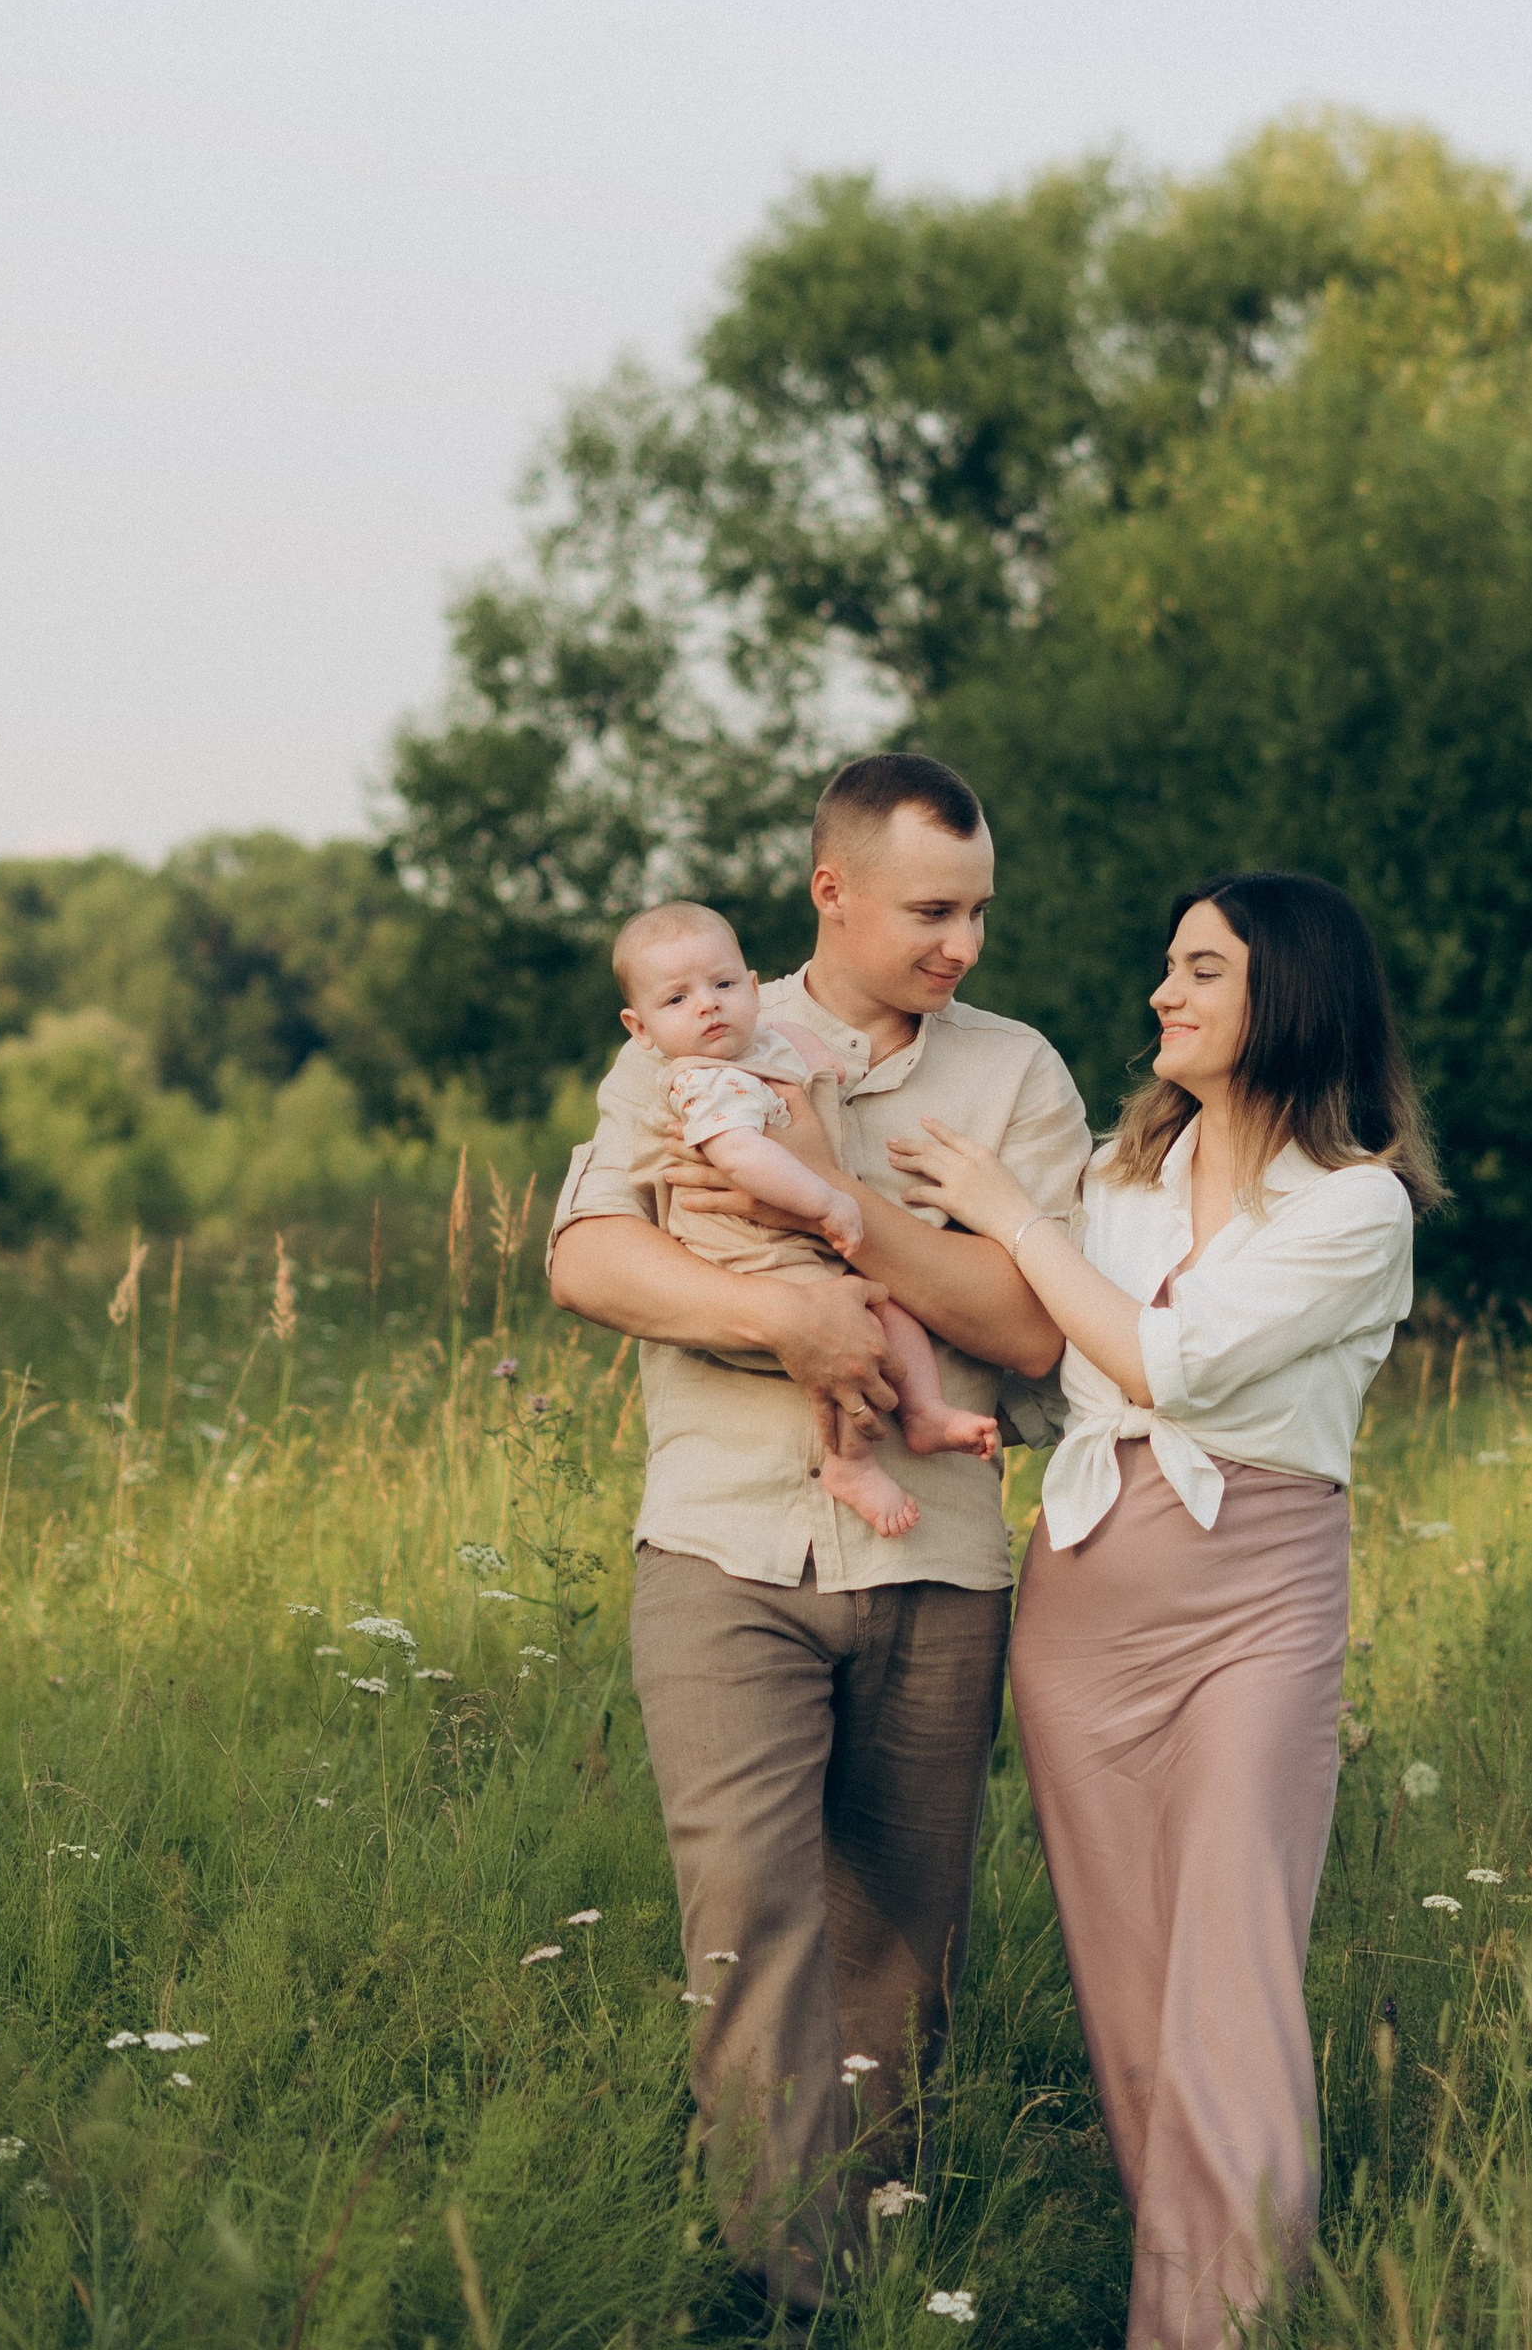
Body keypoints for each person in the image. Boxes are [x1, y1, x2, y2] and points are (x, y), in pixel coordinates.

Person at [546, 753, 1089, 2317]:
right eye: (932, 909)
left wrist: (846, 1202)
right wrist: (784, 1315)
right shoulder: (692, 1020)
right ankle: (780, 2283)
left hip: (937, 1560)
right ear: (831, 892)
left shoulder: (1017, 1078)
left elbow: (1024, 1326)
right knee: (748, 1922)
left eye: (980, 910)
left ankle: (885, 2275)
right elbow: (592, 1260)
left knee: (900, 1955)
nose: (961, 944)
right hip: (720, 1553)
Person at [892, 871, 1437, 2350]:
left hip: (1252, 1594)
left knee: (1232, 1975)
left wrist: (1011, 1214)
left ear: (1292, 997)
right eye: (1167, 968)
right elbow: (1035, 1331)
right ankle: (1178, 2305)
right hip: (1083, 1602)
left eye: (1201, 970)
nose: (1163, 995)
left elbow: (1169, 1365)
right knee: (1132, 1999)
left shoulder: (1357, 1206)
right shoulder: (1118, 1185)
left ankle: (1227, 2326)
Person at [607, 896, 1003, 1539]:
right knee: (840, 1335)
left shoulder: (759, 1048)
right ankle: (850, 1463)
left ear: (754, 988)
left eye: (724, 985)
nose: (707, 1004)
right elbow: (742, 1154)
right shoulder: (702, 1080)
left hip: (794, 1249)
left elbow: (806, 1063)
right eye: (676, 1000)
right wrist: (828, 1199)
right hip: (752, 1253)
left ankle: (925, 1411)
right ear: (641, 1029)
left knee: (890, 1309)